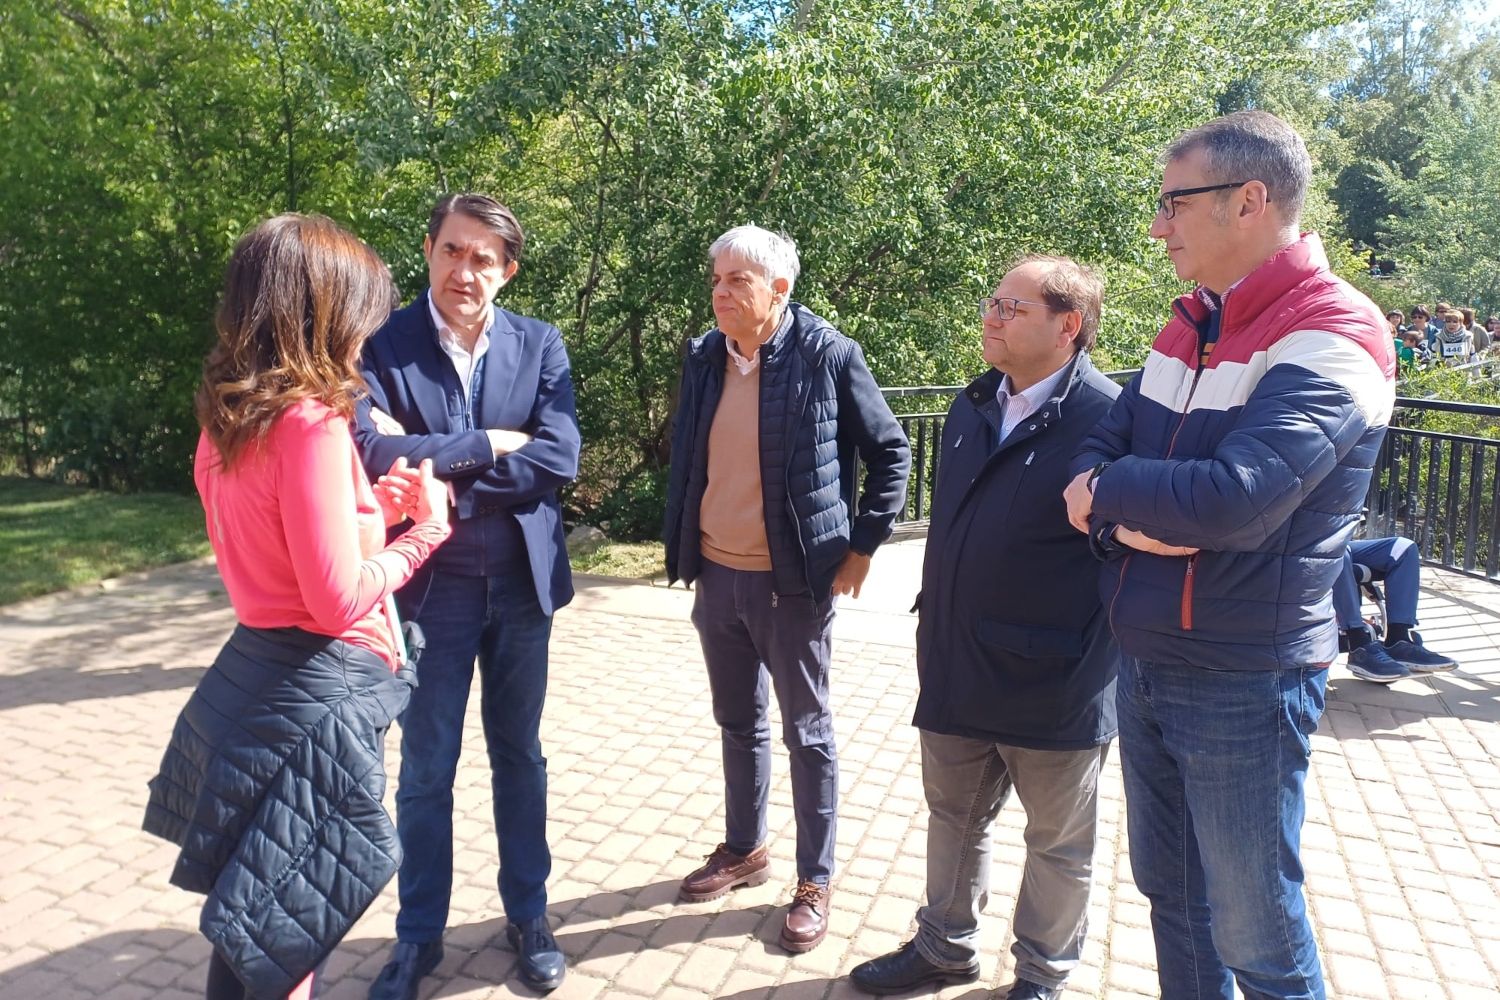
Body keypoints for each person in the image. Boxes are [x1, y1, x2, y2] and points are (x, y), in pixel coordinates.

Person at [1063, 110, 1396, 999]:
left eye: (1174, 201)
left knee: (1258, 932)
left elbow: (1231, 501)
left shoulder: (1337, 332)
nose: (1157, 224)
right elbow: (1100, 449)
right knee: (1172, 898)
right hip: (1146, 658)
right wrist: (1118, 513)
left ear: (1249, 201)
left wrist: (1109, 502)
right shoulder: (1189, 324)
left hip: (1244, 678)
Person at [144, 214, 453, 1000]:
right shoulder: (312, 424)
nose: (366, 337)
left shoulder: (228, 419)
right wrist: (426, 534)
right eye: (361, 315)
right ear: (321, 310)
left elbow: (273, 553)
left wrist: (370, 510)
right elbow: (335, 596)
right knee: (288, 940)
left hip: (259, 681)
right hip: (320, 695)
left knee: (255, 919)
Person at [847, 256, 1120, 1000]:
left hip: (1057, 676)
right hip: (957, 659)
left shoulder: (1112, 420)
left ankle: (1042, 974)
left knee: (1058, 844)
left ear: (1069, 326)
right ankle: (944, 947)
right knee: (953, 818)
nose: (991, 317)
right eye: (992, 301)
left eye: (1013, 306)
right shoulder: (973, 404)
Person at [354, 193, 581, 997]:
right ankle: (418, 938)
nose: (466, 270)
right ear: (429, 251)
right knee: (426, 768)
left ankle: (530, 915)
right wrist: (485, 444)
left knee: (521, 757)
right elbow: (369, 449)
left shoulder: (540, 344)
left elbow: (558, 457)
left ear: (507, 270)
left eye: (485, 258)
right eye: (453, 251)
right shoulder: (381, 343)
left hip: (521, 587)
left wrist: (442, 482)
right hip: (428, 591)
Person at [663, 224, 910, 953]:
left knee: (808, 733)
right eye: (716, 278)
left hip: (793, 585)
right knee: (738, 722)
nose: (721, 292)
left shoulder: (828, 354)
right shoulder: (705, 355)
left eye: (738, 279)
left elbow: (891, 450)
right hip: (717, 573)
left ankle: (816, 878)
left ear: (780, 288)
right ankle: (746, 849)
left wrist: (863, 545)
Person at [1336, 535, 1459, 682]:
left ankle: (1398, 640)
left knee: (1404, 548)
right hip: (1310, 544)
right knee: (1335, 550)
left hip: (1338, 540)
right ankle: (1357, 644)